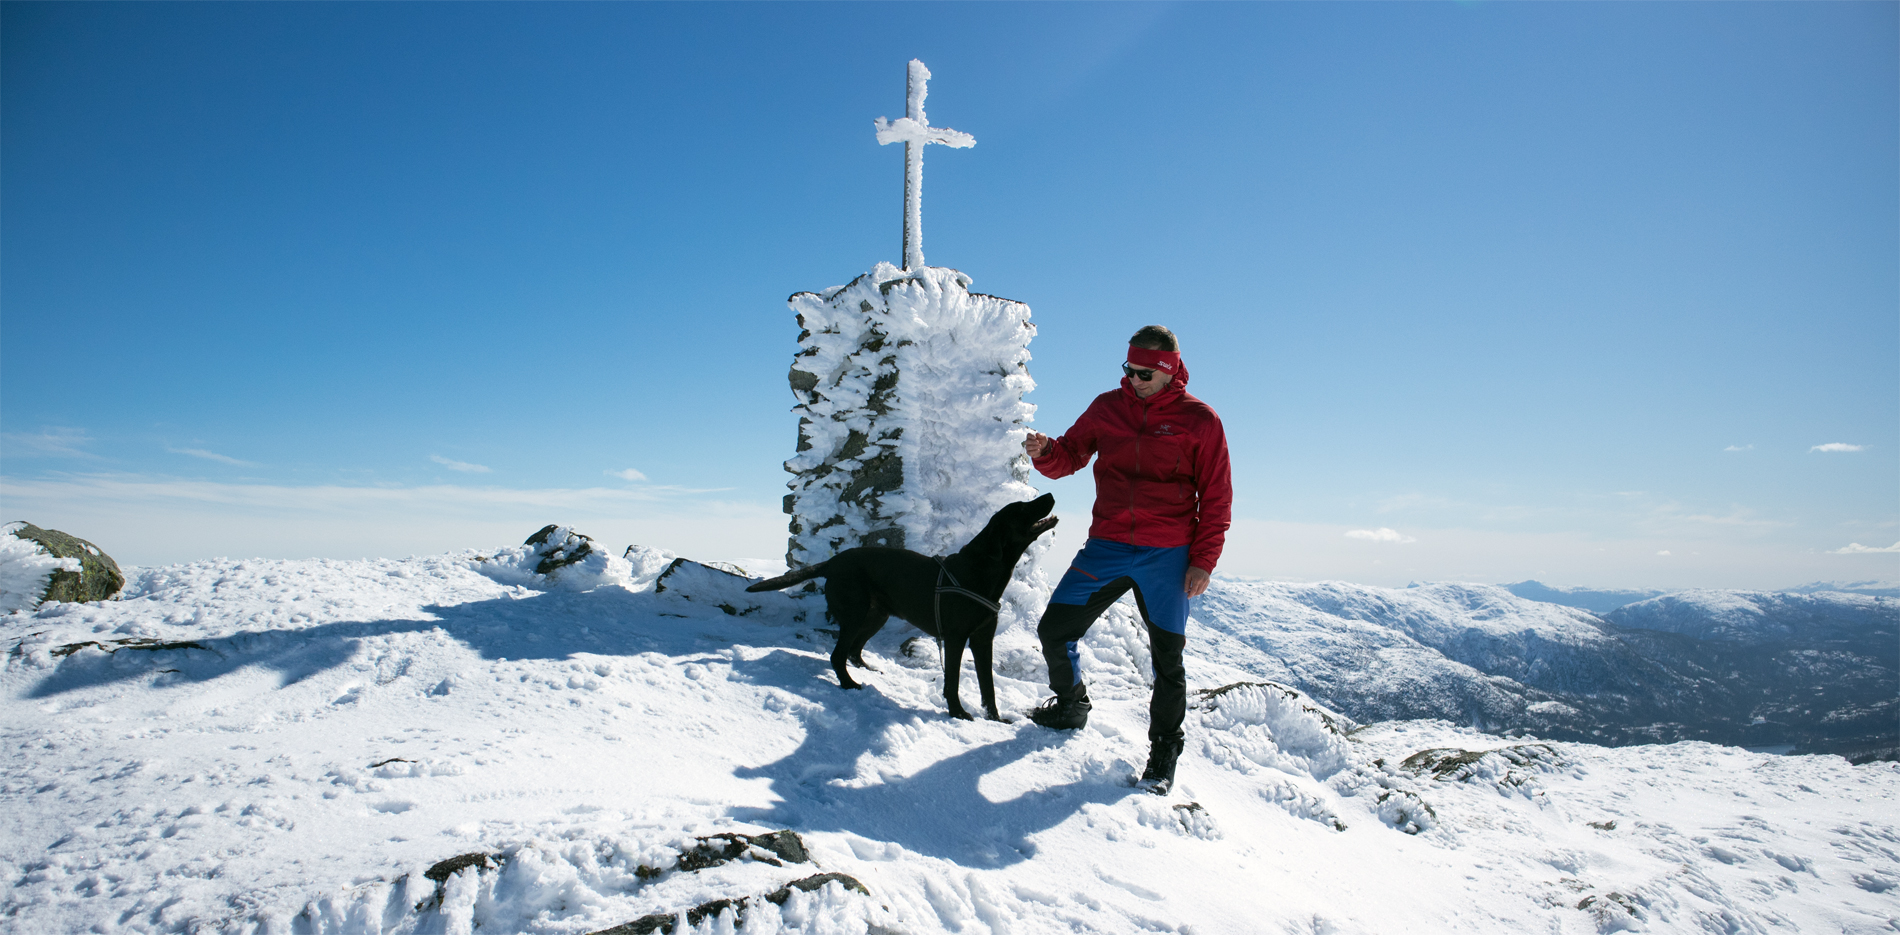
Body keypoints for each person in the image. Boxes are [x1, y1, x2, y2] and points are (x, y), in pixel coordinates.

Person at [1021, 325, 1232, 795]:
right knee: (1055, 629)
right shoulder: (1107, 407)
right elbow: (1070, 456)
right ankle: (1072, 705)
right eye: (1128, 370)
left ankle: (1163, 755)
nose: (1133, 380)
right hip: (1110, 544)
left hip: (1169, 554)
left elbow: (1216, 498)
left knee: (1167, 662)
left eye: (1142, 373)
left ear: (1168, 370)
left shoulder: (1201, 421)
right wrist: (1046, 452)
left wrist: (1203, 561)